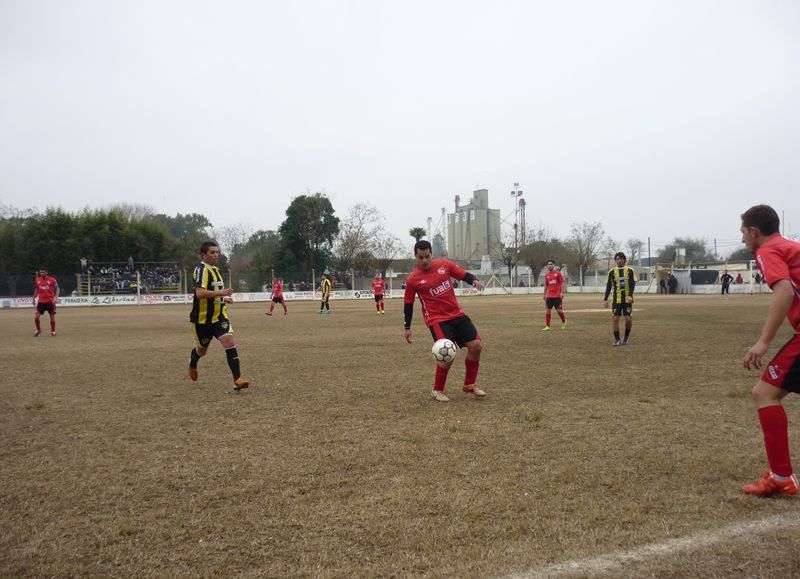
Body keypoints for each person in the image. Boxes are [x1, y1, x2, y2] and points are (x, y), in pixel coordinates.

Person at [739, 205, 800, 496]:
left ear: (754, 231)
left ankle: (781, 477)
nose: (742, 240)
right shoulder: (790, 245)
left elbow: (785, 291)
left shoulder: (767, 250)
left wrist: (763, 342)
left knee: (764, 393)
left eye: (743, 232)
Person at [403, 239, 487, 402]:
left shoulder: (444, 265)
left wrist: (474, 280)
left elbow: (463, 275)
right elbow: (408, 304)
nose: (425, 261)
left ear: (431, 254)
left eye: (427, 256)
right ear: (415, 257)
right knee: (447, 352)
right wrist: (407, 327)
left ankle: (470, 384)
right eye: (421, 257)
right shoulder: (412, 279)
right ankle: (437, 390)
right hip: (437, 320)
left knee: (476, 346)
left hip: (457, 314)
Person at [188, 241, 249, 391]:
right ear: (203, 255)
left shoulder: (216, 270)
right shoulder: (201, 270)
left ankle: (238, 379)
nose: (216, 255)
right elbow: (200, 294)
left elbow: (213, 293)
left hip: (219, 316)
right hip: (202, 320)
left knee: (229, 341)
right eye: (212, 252)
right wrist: (222, 293)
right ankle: (193, 362)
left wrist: (223, 299)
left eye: (217, 252)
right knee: (202, 350)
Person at [603, 252, 636, 346]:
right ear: (615, 261)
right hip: (616, 300)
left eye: (621, 258)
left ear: (624, 260)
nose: (619, 260)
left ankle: (626, 337)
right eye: (617, 259)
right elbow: (609, 286)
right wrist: (605, 299)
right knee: (615, 319)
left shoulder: (630, 270)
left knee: (628, 319)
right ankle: (617, 340)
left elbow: (632, 284)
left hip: (627, 299)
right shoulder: (611, 272)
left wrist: (630, 295)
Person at [33, 267, 59, 337]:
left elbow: (57, 288)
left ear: (46, 272)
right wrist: (33, 298)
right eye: (40, 272)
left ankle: (53, 331)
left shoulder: (52, 280)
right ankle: (38, 330)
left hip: (50, 302)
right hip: (41, 302)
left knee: (52, 316)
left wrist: (55, 298)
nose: (41, 273)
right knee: (36, 317)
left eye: (43, 272)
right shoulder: (37, 280)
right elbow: (36, 289)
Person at [541, 259, 566, 331]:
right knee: (548, 310)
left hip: (557, 295)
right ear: (547, 266)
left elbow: (562, 283)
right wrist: (544, 294)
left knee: (559, 310)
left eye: (551, 264)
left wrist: (562, 292)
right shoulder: (547, 275)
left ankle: (564, 321)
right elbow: (546, 285)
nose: (550, 265)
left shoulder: (557, 273)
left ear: (554, 265)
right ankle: (548, 326)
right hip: (549, 295)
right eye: (548, 264)